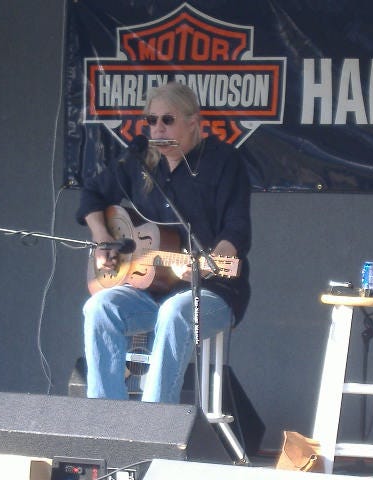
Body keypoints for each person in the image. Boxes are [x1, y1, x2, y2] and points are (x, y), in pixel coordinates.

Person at [76, 81, 251, 403]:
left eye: (167, 120)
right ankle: (104, 416)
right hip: (149, 289)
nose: (157, 129)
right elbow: (92, 194)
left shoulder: (222, 161)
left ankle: (151, 427)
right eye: (151, 121)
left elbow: (237, 228)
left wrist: (209, 265)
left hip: (212, 293)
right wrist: (103, 240)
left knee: (174, 311)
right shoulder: (140, 160)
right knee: (99, 306)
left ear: (193, 122)